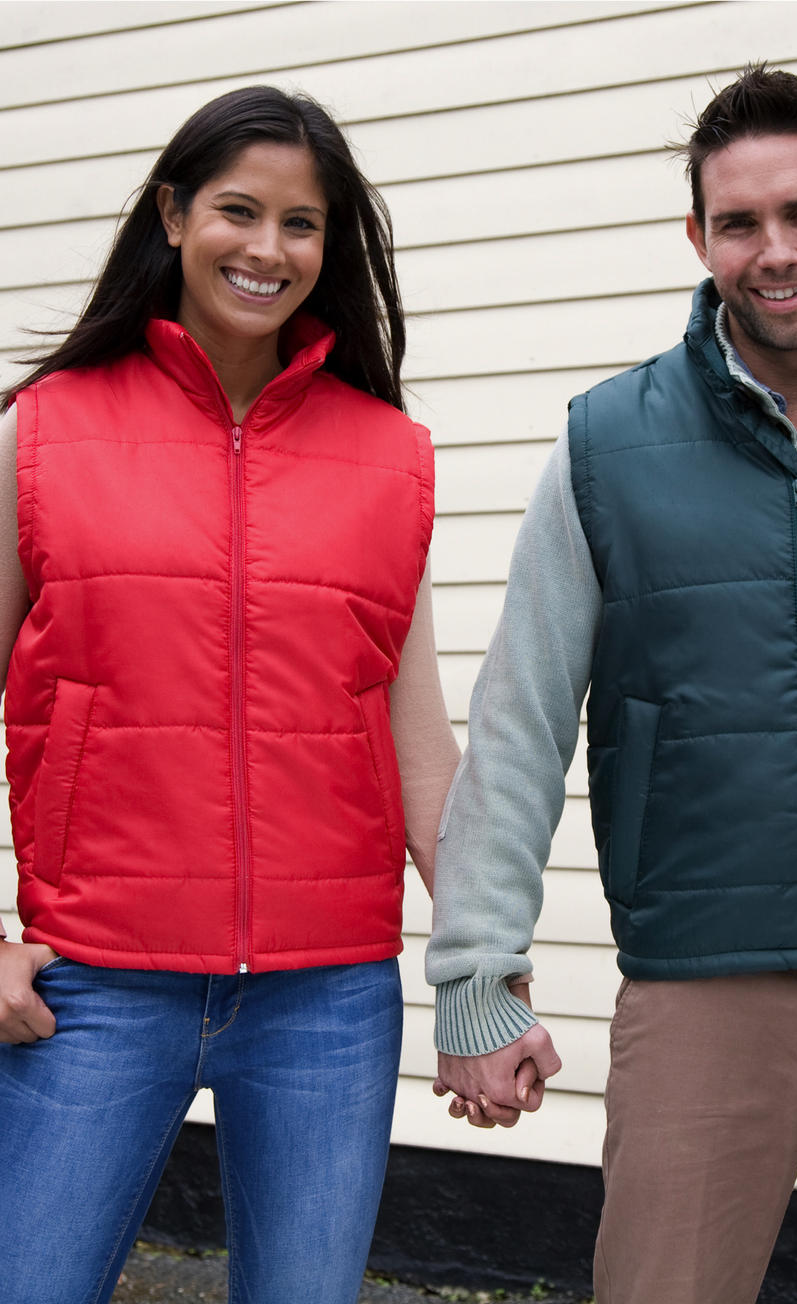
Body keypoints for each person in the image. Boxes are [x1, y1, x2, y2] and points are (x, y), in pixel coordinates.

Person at [426, 64, 797, 1303]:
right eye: (740, 222)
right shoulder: (606, 445)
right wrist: (476, 974)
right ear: (698, 238)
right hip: (698, 987)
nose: (776, 251)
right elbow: (521, 719)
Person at [0, 85, 459, 1304]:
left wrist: (483, 968)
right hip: (96, 978)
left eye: (301, 223)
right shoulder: (41, 433)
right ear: (172, 213)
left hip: (327, 997)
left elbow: (415, 739)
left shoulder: (387, 456)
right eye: (238, 211)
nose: (268, 248)